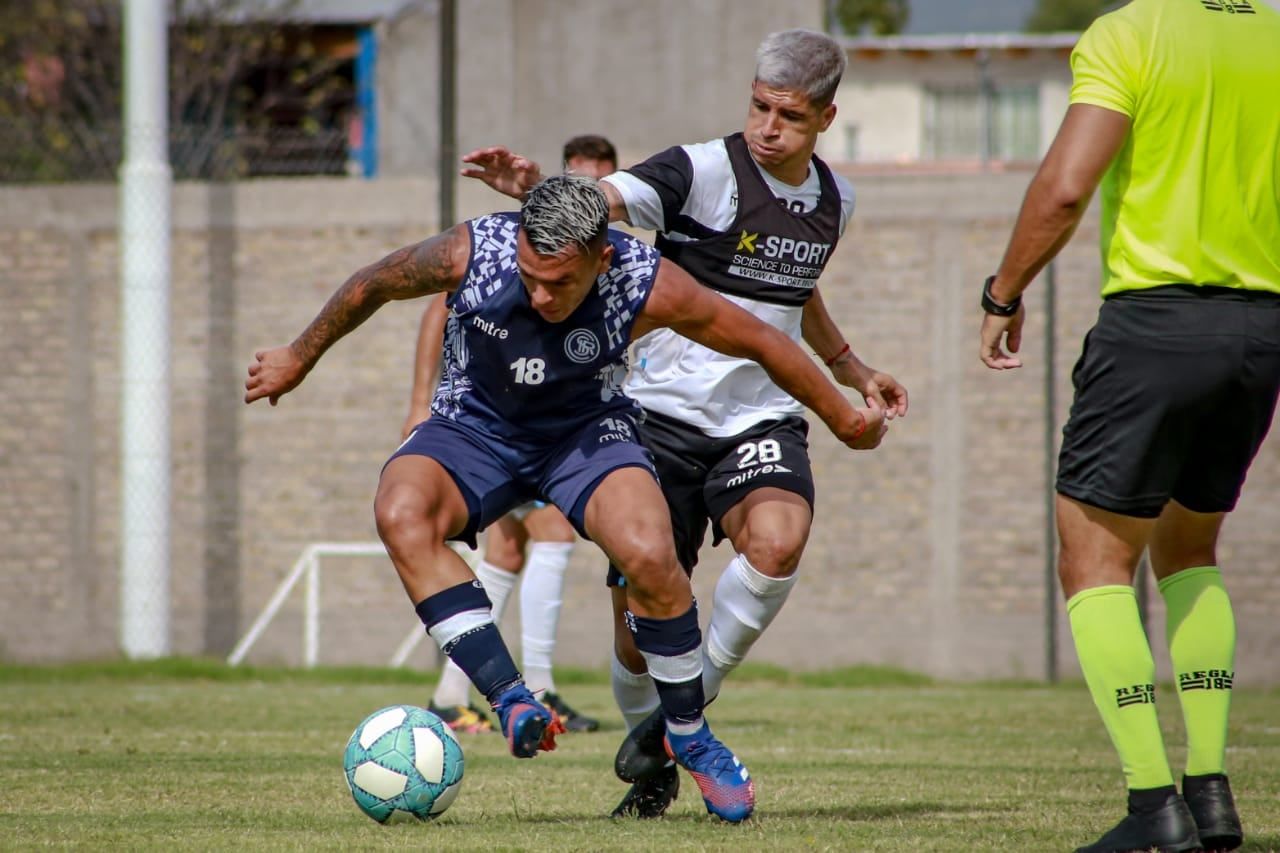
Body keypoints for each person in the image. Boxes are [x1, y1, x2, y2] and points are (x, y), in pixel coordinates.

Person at [245, 175, 887, 823]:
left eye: (561, 281)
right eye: (531, 275)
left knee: (651, 550)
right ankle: (511, 698)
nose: (541, 293)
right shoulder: (474, 253)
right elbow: (373, 282)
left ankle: (690, 734)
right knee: (400, 511)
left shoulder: (644, 280)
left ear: (601, 257)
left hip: (587, 434)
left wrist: (842, 414)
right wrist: (298, 356)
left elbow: (763, 339)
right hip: (475, 425)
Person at [460, 28, 908, 818]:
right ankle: (659, 759)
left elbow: (795, 298)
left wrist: (854, 371)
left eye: (790, 117)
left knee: (778, 541)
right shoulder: (700, 169)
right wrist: (538, 188)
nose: (769, 127)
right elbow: (601, 203)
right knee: (639, 625)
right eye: (760, 107)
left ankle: (684, 711)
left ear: (827, 119)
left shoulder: (837, 201)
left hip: (760, 415)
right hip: (653, 420)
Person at [977, 2, 1280, 851]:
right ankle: (1211, 791)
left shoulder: (1131, 32)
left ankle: (1154, 807)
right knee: (1190, 550)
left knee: (1094, 561)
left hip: (1156, 324)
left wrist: (1003, 290)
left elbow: (1068, 183)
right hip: (1260, 331)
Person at [401, 136, 621, 734]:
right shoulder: (515, 247)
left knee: (507, 550)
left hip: (551, 417)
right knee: (550, 531)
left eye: (602, 183)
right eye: (578, 179)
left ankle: (452, 694)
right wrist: (421, 405)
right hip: (494, 422)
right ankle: (539, 687)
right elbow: (438, 310)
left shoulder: (605, 257)